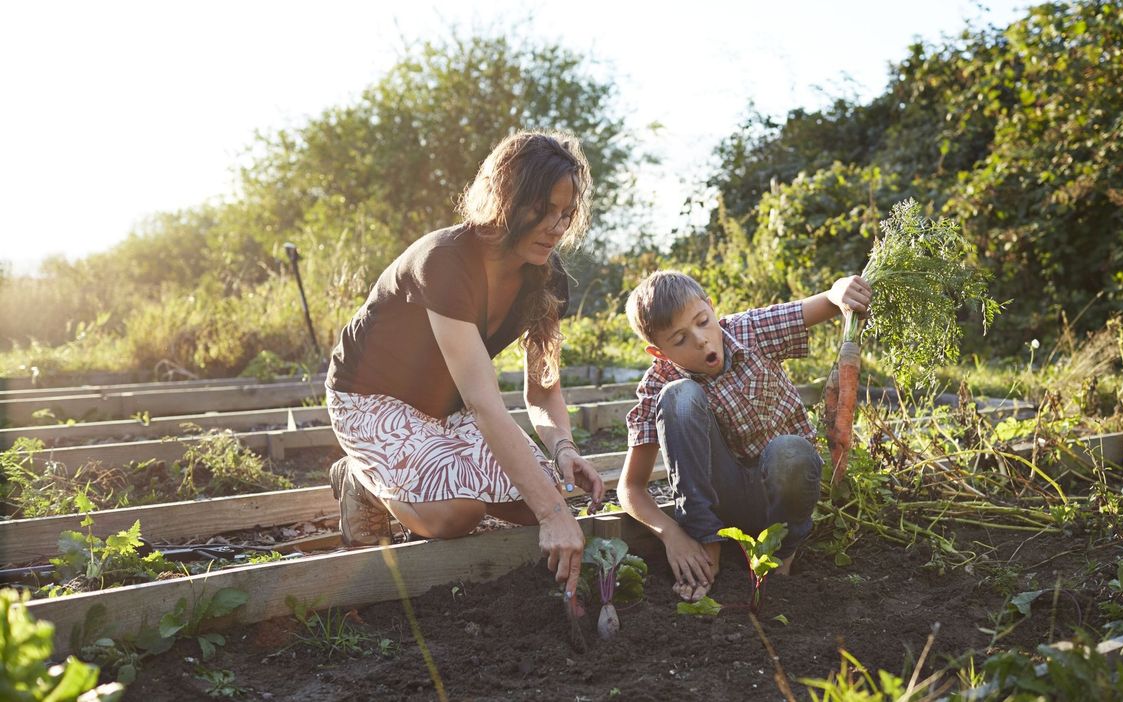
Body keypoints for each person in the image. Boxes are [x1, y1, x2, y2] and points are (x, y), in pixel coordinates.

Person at [324, 130, 606, 597]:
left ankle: (413, 472)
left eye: (566, 214)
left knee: (537, 500)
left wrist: (564, 450)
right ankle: (361, 479)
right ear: (505, 198)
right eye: (543, 209)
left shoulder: (547, 278)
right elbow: (483, 402)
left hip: (446, 410)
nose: (557, 227)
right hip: (371, 398)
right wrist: (555, 516)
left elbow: (543, 390)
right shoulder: (446, 260)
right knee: (459, 514)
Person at [618, 270, 872, 601]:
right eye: (679, 340)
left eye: (703, 321)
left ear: (711, 308)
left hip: (781, 492)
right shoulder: (657, 383)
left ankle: (780, 556)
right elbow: (631, 487)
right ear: (660, 353)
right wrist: (672, 536)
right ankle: (707, 543)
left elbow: (824, 301)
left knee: (790, 451)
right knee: (678, 394)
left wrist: (840, 291)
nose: (701, 339)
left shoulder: (750, 330)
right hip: (724, 503)